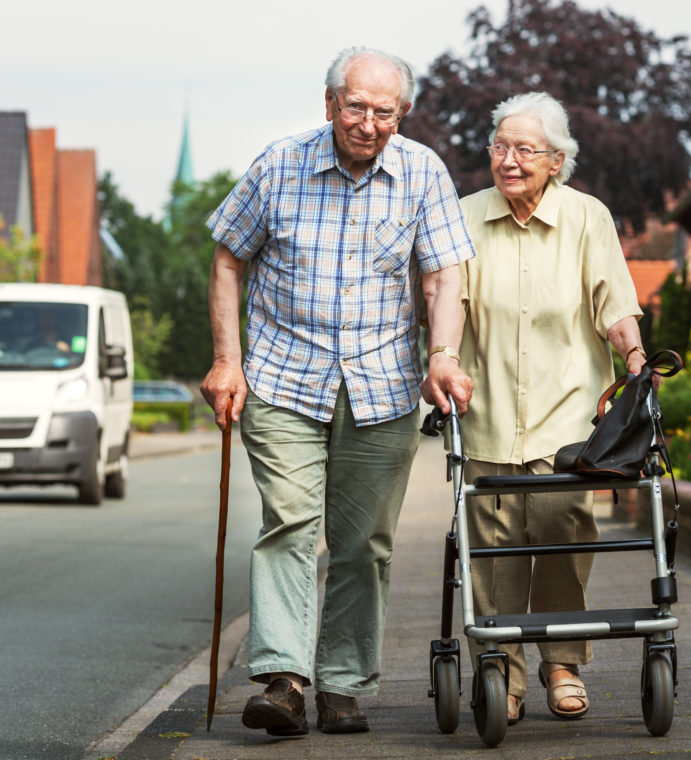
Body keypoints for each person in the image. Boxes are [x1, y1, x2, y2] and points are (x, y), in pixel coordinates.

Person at [200, 47, 475, 737]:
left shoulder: (422, 173)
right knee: (291, 523)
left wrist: (442, 355)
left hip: (380, 390)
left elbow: (444, 277)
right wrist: (227, 361)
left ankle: (344, 684)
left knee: (363, 545)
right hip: (285, 378)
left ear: (402, 115)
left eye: (386, 112)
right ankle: (285, 681)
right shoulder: (280, 165)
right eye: (356, 107)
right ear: (330, 105)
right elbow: (229, 259)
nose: (370, 123)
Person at [454, 91, 652, 725]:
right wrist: (440, 360)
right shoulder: (463, 217)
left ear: (557, 159)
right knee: (492, 552)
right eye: (500, 147)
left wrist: (636, 358)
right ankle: (502, 675)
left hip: (567, 423)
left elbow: (614, 302)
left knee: (565, 541)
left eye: (524, 150)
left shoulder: (586, 217)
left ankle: (561, 662)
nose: (508, 160)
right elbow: (446, 307)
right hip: (485, 415)